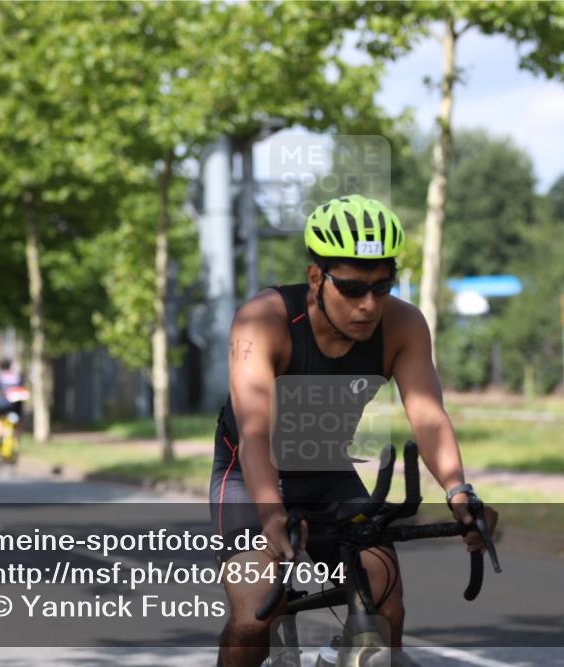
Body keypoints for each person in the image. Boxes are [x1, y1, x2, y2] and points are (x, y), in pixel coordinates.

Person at [209, 194, 498, 666]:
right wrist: (270, 514)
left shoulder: (403, 325)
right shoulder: (262, 321)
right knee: (255, 613)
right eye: (353, 288)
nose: (369, 305)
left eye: (383, 288)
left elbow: (427, 414)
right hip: (249, 473)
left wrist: (458, 491)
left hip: (325, 471)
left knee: (384, 599)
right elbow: (255, 430)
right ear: (316, 277)